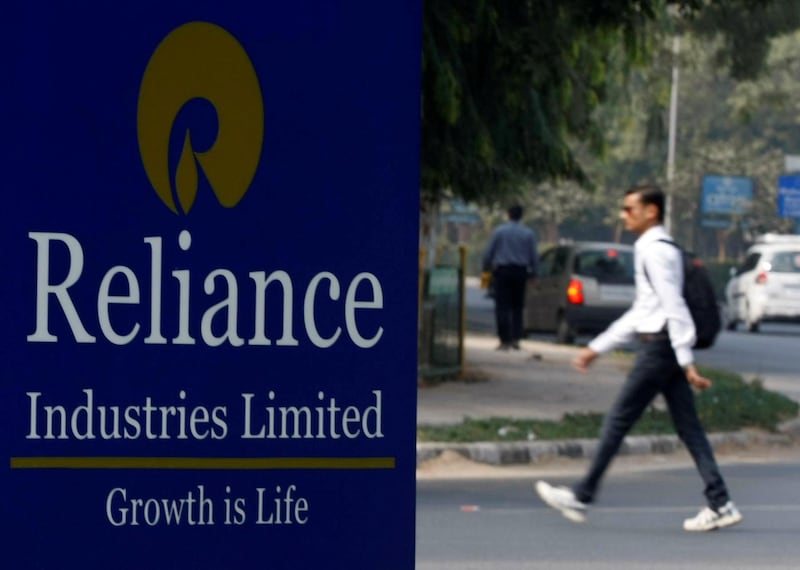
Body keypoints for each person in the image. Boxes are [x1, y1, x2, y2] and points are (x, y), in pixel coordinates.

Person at [535, 184, 742, 532]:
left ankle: (582, 495)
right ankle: (720, 502)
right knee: (689, 428)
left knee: (618, 421)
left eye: (630, 209)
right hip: (663, 345)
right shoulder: (652, 248)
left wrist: (685, 359)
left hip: (660, 348)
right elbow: (644, 309)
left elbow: (673, 306)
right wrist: (597, 347)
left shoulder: (656, 251)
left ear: (652, 212)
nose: (623, 215)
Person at [482, 205, 539, 350]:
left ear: (508, 215)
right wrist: (534, 274)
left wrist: (486, 270)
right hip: (520, 272)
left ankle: (504, 340)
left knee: (502, 306)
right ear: (521, 216)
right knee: (517, 307)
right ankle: (516, 338)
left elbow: (489, 253)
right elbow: (534, 256)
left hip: (502, 272)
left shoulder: (500, 231)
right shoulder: (528, 233)